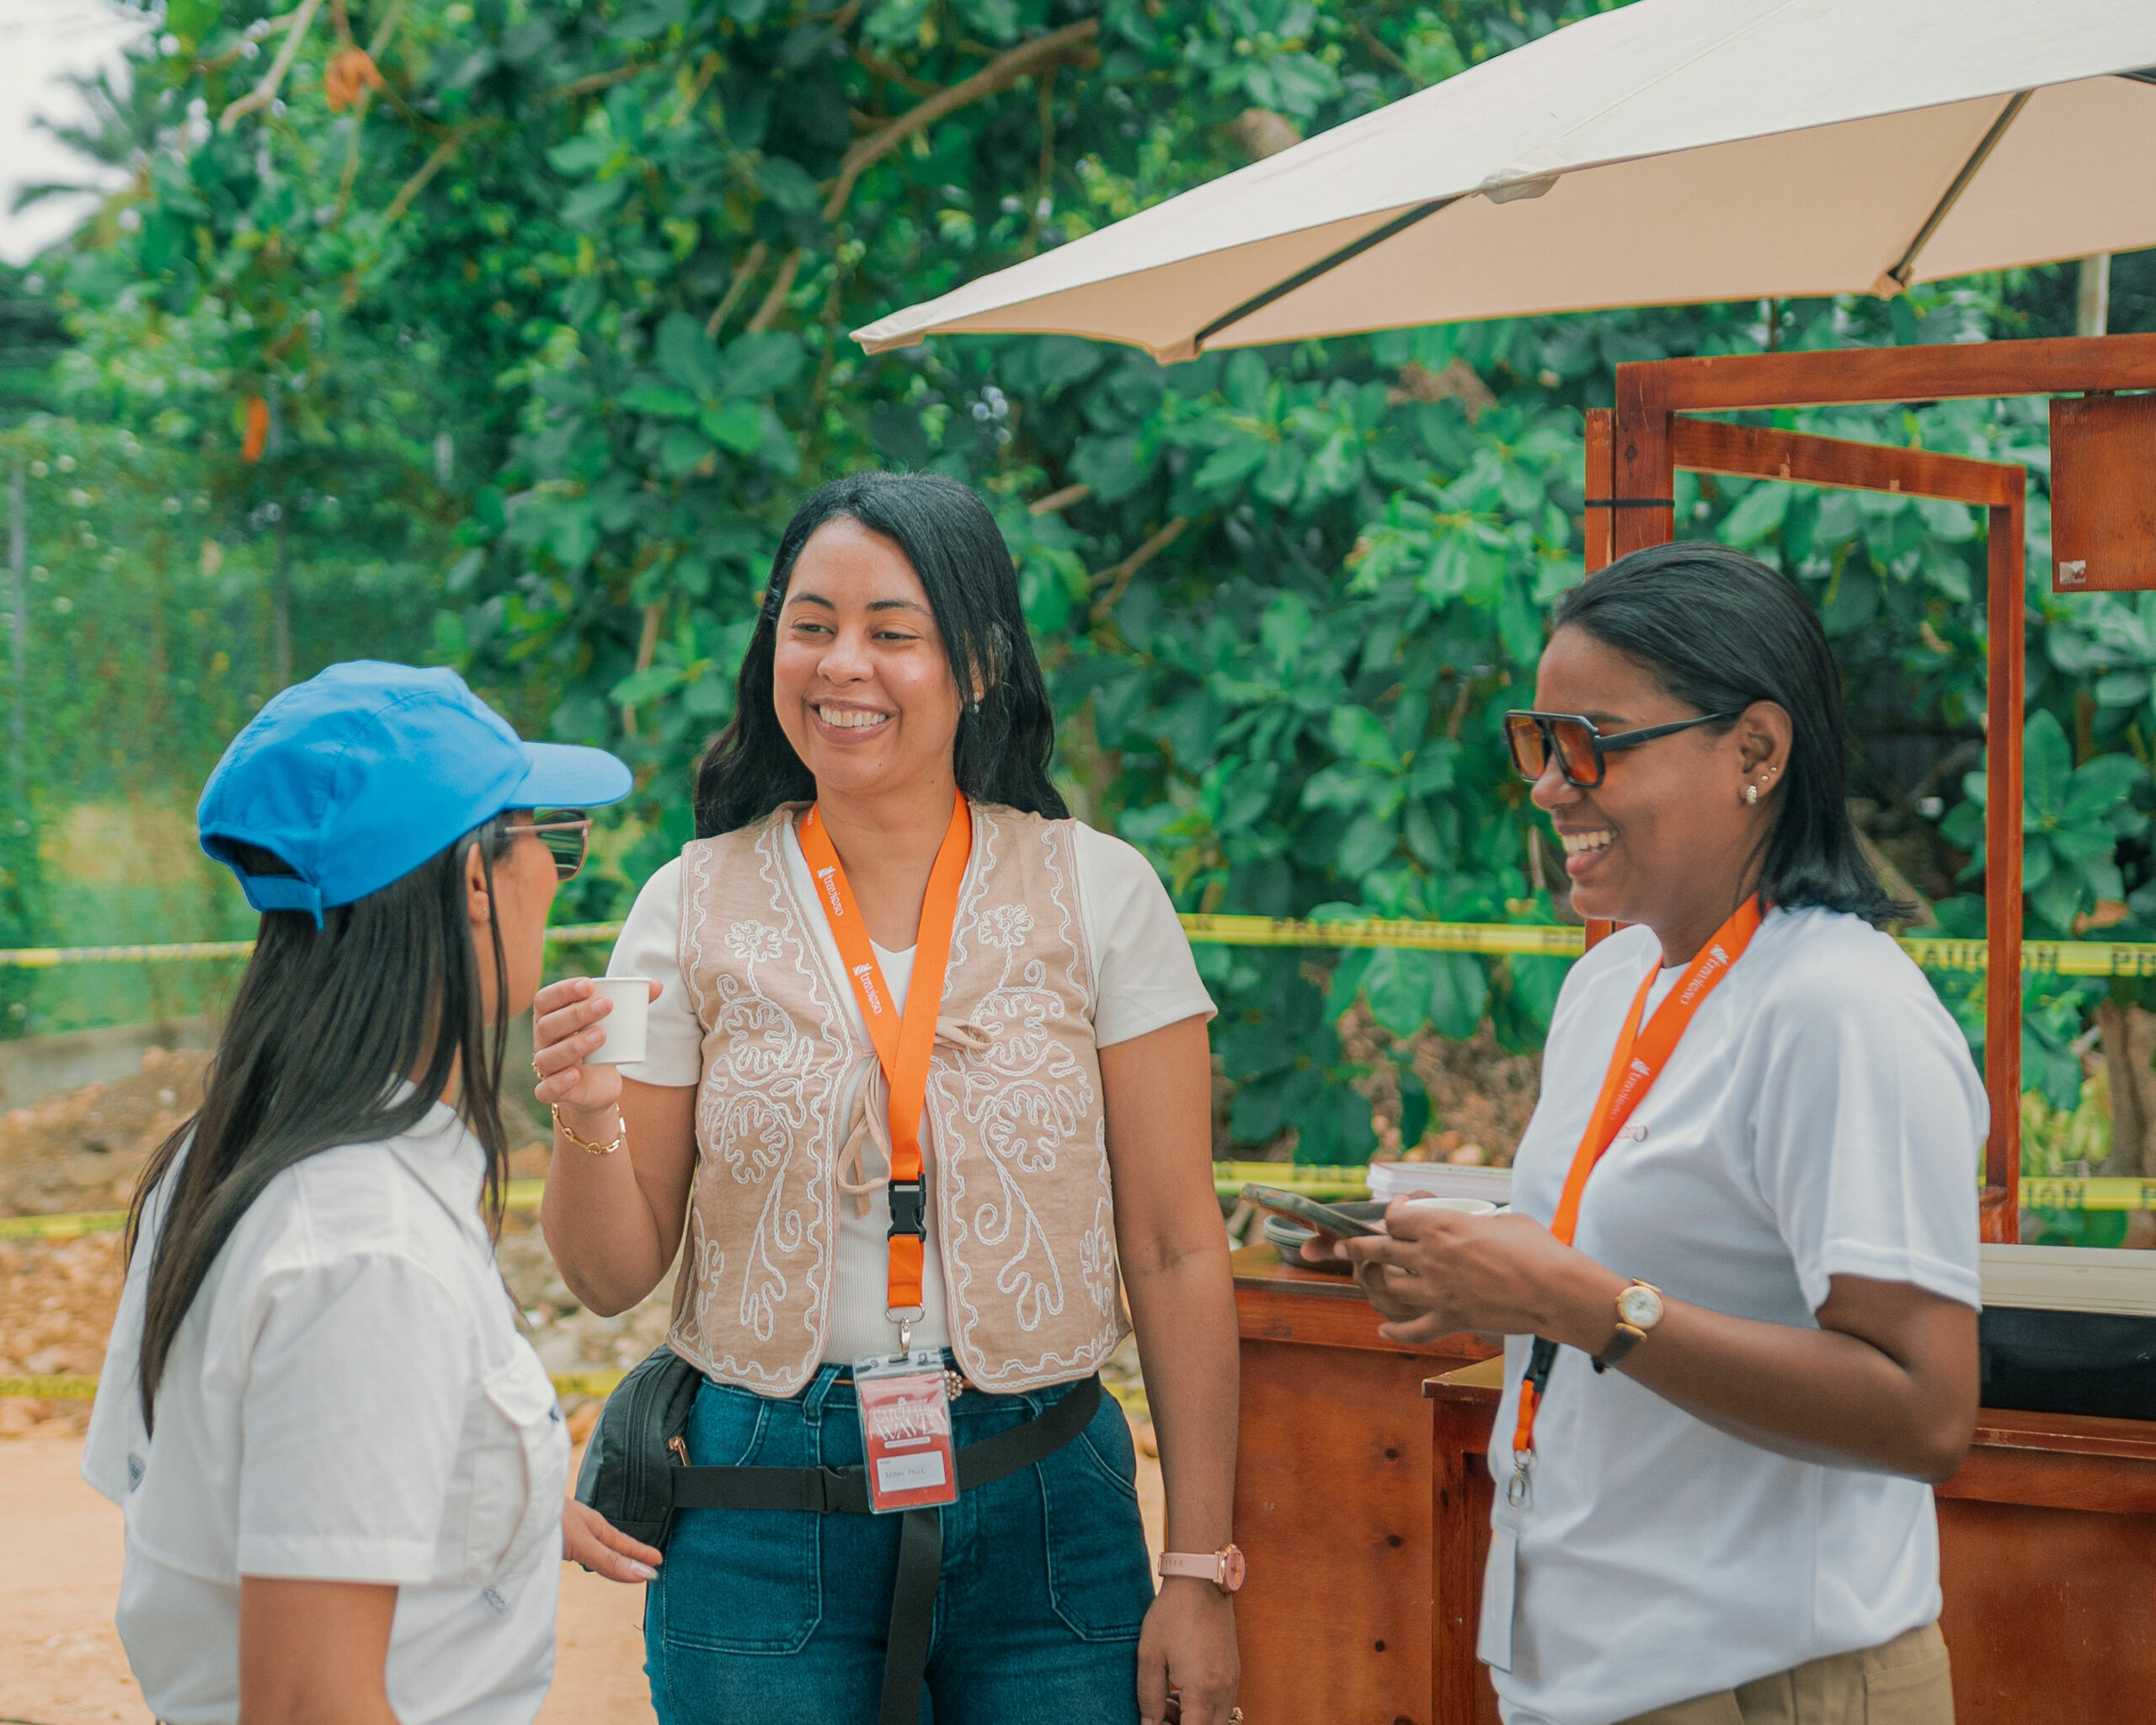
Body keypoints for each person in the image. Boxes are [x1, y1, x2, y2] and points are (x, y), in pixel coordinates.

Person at [532, 471, 1242, 1725]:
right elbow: (608, 1274)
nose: (841, 664)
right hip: (761, 1519)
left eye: (891, 631)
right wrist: (586, 1116)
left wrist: (1197, 1568)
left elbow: (1177, 1248)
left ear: (979, 664)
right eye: (809, 625)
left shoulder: (1100, 891)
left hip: (1046, 1506)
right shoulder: (685, 906)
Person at [1315, 543, 1981, 1725]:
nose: (1549, 786)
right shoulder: (1613, 981)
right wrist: (1473, 1276)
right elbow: (1633, 1282)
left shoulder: (1839, 1007)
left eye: (1592, 744)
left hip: (1767, 1681)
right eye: (1538, 741)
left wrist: (1579, 1302)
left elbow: (1924, 1411)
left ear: (1756, 751)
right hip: (1595, 1671)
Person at [83, 662, 661, 1725]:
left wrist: (498, 1510)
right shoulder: (365, 1251)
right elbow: (312, 1702)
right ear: (475, 880)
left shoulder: (228, 1151)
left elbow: (220, 1484)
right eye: (550, 838)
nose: (554, 873)